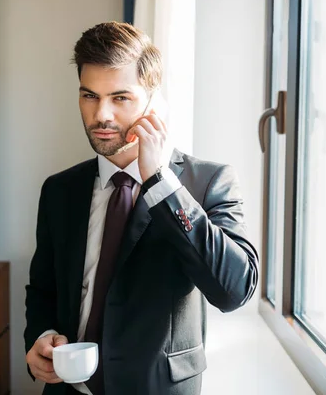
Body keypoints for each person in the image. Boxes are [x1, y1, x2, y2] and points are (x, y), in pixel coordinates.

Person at [23, 21, 259, 395]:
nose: (101, 115)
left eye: (120, 98)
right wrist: (42, 336)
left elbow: (234, 290)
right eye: (89, 95)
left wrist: (161, 184)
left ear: (152, 101)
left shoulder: (208, 182)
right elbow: (43, 289)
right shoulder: (59, 190)